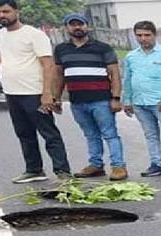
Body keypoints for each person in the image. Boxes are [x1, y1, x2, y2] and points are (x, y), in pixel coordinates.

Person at [0, 0, 71, 183]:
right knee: (24, 134)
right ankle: (34, 170)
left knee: (49, 133)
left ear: (17, 11)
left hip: (34, 93)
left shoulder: (34, 35)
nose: (2, 15)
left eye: (6, 11)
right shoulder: (0, 35)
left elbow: (48, 64)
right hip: (12, 93)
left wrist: (47, 94)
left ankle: (63, 172)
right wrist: (3, 67)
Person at [53, 13, 127, 181]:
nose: (77, 27)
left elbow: (114, 74)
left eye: (81, 24)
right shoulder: (61, 49)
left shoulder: (103, 48)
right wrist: (56, 98)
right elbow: (59, 75)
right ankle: (96, 165)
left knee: (110, 133)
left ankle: (118, 166)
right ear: (67, 28)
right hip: (77, 101)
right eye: (73, 25)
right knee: (90, 134)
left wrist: (116, 98)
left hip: (101, 100)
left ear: (88, 26)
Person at [123, 20, 161, 179]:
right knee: (150, 135)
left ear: (154, 35)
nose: (143, 39)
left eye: (147, 35)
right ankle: (157, 164)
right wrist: (127, 101)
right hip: (140, 103)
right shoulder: (131, 57)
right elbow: (128, 80)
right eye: (139, 35)